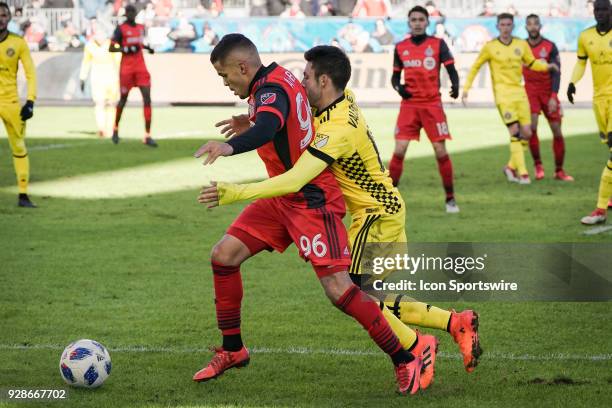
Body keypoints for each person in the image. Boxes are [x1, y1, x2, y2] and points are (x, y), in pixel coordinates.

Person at [198, 45, 483, 380]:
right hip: (371, 211)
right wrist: (256, 122)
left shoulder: (337, 130)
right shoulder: (337, 102)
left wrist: (237, 190)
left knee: (351, 293)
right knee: (363, 294)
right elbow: (296, 119)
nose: (299, 84)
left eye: (305, 77)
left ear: (323, 80)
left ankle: (415, 347)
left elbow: (296, 177)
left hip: (376, 214)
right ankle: (453, 323)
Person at [462, 13, 558, 185]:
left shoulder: (521, 44)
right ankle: (523, 174)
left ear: (513, 26)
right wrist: (466, 88)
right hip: (503, 96)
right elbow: (476, 66)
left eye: (508, 24)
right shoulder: (490, 47)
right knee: (515, 133)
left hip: (520, 94)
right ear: (497, 26)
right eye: (502, 25)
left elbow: (531, 63)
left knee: (527, 133)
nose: (505, 28)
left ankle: (509, 167)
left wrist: (546, 66)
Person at [388, 6, 461, 213]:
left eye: (421, 19)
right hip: (409, 105)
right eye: (414, 20)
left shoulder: (438, 44)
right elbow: (394, 77)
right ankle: (389, 200)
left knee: (440, 151)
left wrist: (455, 86)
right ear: (409, 23)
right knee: (399, 150)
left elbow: (451, 70)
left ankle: (450, 199)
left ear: (427, 22)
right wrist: (399, 88)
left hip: (432, 104)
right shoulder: (401, 47)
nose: (418, 23)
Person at [568, 0, 612, 225]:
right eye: (598, 10)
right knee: (609, 147)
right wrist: (572, 82)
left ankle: (600, 209)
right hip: (599, 100)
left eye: (605, 9)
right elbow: (581, 63)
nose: (601, 13)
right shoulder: (586, 37)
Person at [523, 14, 573, 181]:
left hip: (548, 92)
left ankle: (559, 170)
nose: (533, 27)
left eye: (535, 24)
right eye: (529, 24)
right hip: (530, 93)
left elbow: (556, 73)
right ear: (525, 27)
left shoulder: (550, 46)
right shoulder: (521, 47)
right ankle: (538, 166)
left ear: (540, 26)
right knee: (532, 128)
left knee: (557, 130)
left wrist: (553, 96)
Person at [0, 2, 37, 208]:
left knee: (19, 147)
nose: (0, 18)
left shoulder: (18, 43)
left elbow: (31, 73)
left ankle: (23, 195)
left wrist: (30, 101)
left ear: (9, 18)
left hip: (11, 103)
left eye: (4, 15)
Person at [109, 4, 157, 147]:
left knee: (147, 99)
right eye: (129, 12)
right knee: (123, 100)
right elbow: (111, 48)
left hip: (141, 69)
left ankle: (147, 135)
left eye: (133, 12)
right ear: (126, 14)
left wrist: (149, 48)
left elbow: (140, 44)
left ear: (135, 13)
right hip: (126, 70)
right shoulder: (120, 29)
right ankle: (115, 129)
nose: (131, 14)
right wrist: (127, 48)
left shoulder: (141, 27)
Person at [80, 30, 120, 138]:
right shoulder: (90, 46)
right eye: (97, 35)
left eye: (101, 34)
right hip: (97, 79)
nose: (99, 37)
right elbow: (86, 62)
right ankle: (101, 128)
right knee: (99, 103)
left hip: (112, 79)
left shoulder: (113, 45)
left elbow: (119, 60)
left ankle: (111, 128)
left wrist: (122, 75)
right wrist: (82, 77)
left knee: (111, 104)